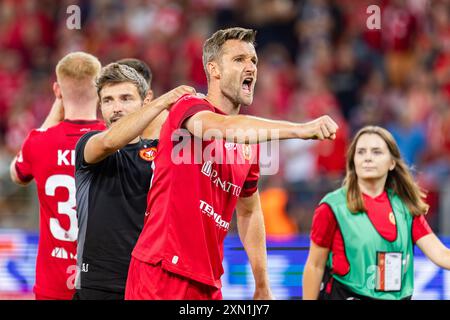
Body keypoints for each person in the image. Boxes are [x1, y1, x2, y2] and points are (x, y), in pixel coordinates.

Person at [125, 27, 339, 300]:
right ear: (214, 70)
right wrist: (300, 130)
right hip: (162, 270)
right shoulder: (189, 106)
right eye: (239, 60)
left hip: (209, 282)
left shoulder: (246, 146)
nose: (250, 67)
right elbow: (222, 126)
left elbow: (249, 212)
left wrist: (262, 284)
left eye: (253, 61)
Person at [73, 62, 195, 300]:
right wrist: (164, 102)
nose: (116, 108)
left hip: (148, 286)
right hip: (98, 286)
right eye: (108, 100)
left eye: (126, 98)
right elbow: (110, 142)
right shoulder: (89, 144)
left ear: (145, 101)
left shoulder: (162, 153)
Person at [303, 125, 450, 300]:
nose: (368, 158)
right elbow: (315, 265)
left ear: (392, 163)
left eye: (376, 152)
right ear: (353, 161)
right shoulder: (333, 206)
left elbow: (441, 254)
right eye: (361, 152)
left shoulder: (405, 207)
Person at [9, 52, 105, 300]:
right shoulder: (113, 141)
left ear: (56, 89)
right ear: (100, 88)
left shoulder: (38, 142)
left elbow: (16, 174)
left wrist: (57, 105)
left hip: (52, 282)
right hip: (103, 280)